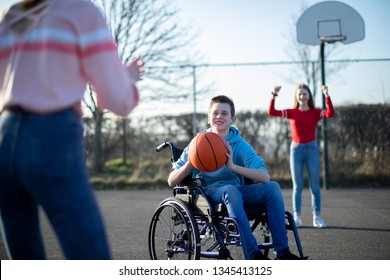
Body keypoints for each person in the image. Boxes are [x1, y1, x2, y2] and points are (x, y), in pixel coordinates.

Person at [0, 0, 143, 259]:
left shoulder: (9, 16)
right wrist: (127, 79)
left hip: (3, 137)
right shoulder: (81, 11)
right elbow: (115, 99)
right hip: (51, 136)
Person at [168, 95, 307, 260]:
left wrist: (233, 166)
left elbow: (264, 177)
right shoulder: (196, 144)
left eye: (224, 113)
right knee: (230, 190)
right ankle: (253, 255)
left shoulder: (240, 145)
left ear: (232, 119)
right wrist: (190, 164)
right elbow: (171, 181)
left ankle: (283, 252)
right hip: (207, 194)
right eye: (215, 113)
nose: (219, 116)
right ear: (208, 118)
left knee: (273, 187)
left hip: (237, 193)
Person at [267, 84, 335, 228]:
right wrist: (274, 94)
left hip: (312, 150)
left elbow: (330, 113)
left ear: (309, 96)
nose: (302, 97)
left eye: (304, 94)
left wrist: (327, 95)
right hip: (296, 151)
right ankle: (296, 217)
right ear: (296, 97)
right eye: (299, 94)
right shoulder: (291, 112)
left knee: (314, 186)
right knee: (297, 186)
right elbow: (271, 112)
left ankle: (317, 217)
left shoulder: (315, 112)